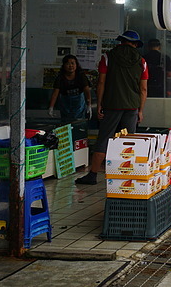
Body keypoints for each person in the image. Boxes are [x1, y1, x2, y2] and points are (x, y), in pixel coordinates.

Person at [75, 30, 148, 185]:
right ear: (135, 44)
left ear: (121, 42)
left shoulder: (107, 58)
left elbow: (101, 83)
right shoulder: (142, 62)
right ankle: (126, 174)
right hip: (132, 107)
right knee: (128, 141)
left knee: (104, 138)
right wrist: (140, 110)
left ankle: (93, 175)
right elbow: (143, 89)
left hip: (112, 105)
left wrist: (100, 104)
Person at [48, 54, 92, 123]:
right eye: (68, 63)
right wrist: (51, 107)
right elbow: (55, 94)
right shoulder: (60, 78)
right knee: (66, 123)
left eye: (72, 63)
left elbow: (87, 90)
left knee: (78, 123)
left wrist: (89, 105)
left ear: (76, 65)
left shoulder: (81, 76)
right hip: (65, 105)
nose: (70, 66)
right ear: (64, 65)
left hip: (79, 104)